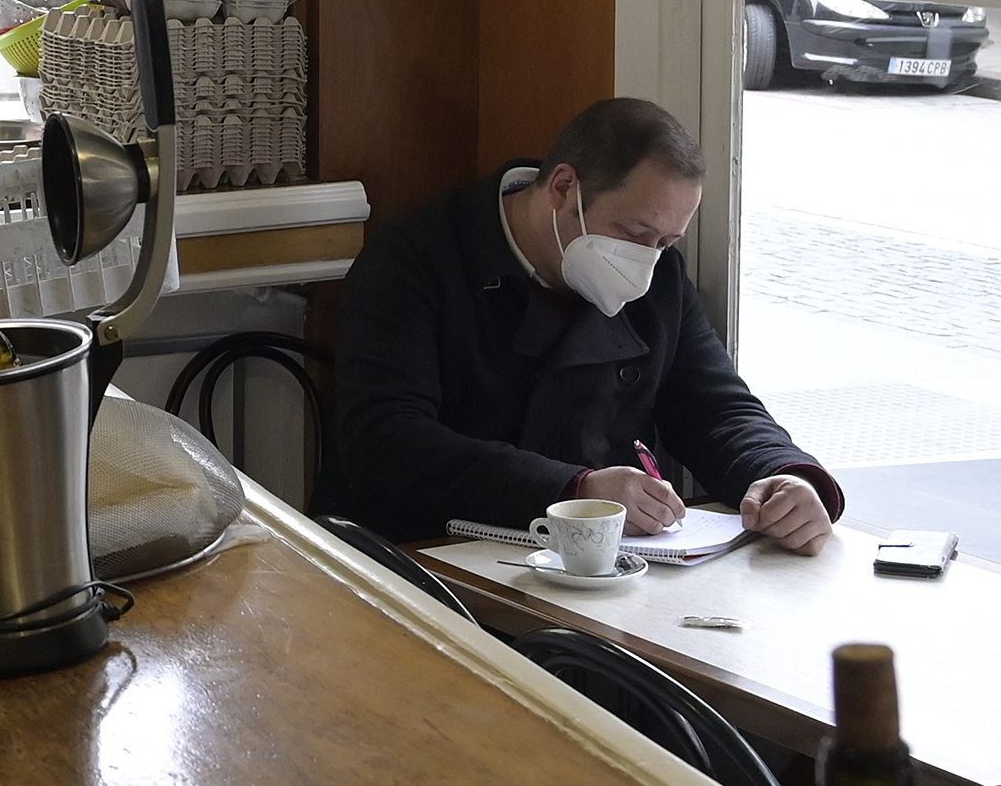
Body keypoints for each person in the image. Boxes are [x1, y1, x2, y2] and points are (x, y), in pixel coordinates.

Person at [331, 96, 840, 553]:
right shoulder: (416, 259)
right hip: (426, 553)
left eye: (666, 243)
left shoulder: (660, 282)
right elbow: (384, 442)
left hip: (597, 567)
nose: (646, 261)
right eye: (634, 232)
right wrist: (573, 490)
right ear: (563, 188)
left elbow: (714, 406)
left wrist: (783, 474)